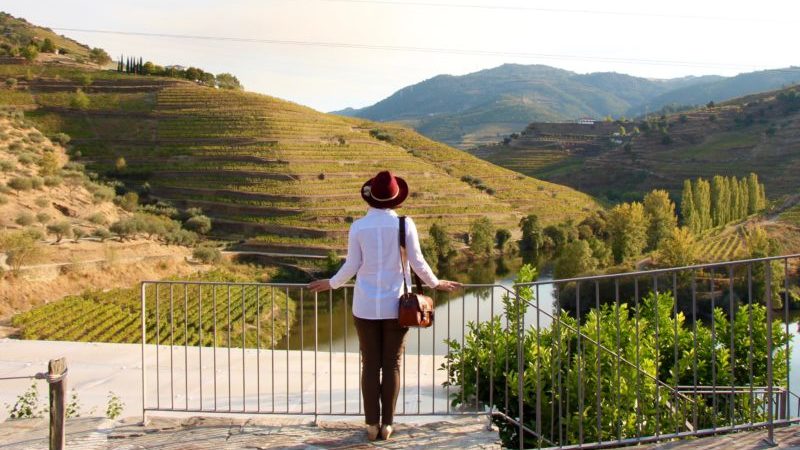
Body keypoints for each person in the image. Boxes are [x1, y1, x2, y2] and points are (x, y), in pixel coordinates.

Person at [309, 170, 460, 441]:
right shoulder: (405, 225)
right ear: (395, 199)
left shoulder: (358, 227)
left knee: (370, 365)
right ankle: (387, 425)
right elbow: (417, 262)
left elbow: (352, 266)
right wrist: (436, 283)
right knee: (391, 365)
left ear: (370, 199)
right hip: (397, 307)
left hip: (365, 306)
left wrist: (331, 284)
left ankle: (370, 425)